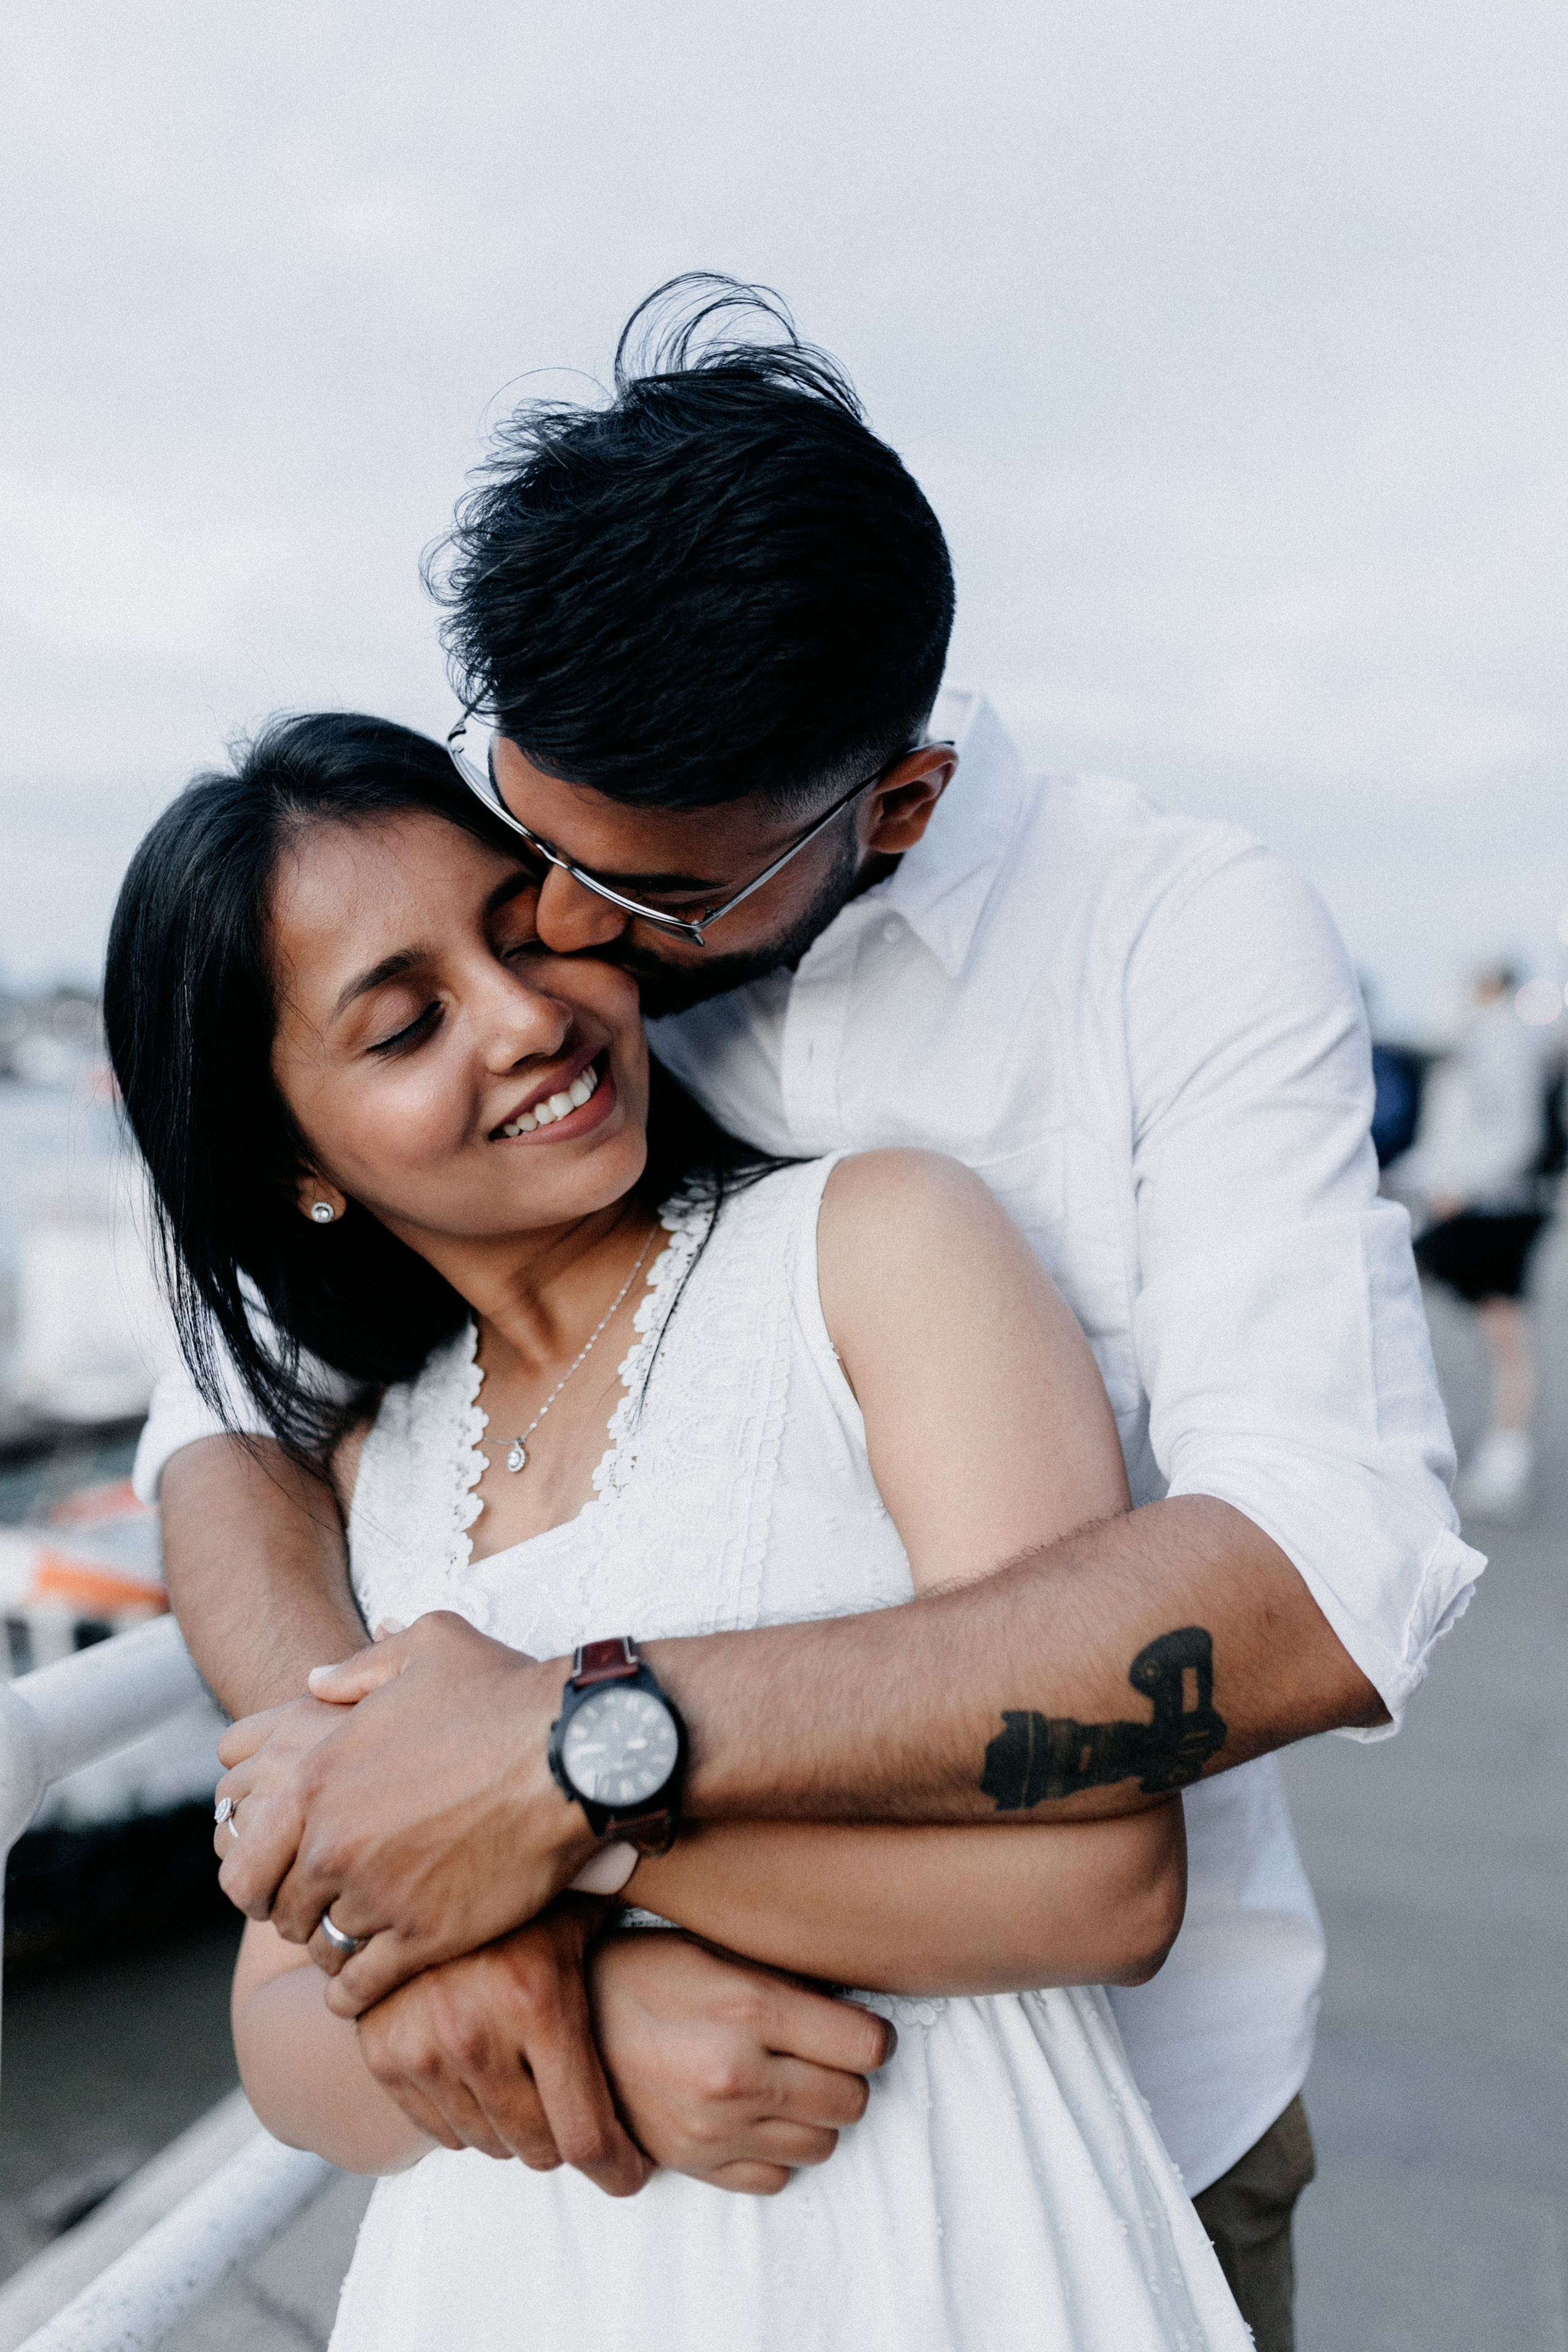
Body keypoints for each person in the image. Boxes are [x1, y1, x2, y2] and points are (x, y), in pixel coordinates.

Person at [129, 279, 1481, 2352]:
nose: (558, 944)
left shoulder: (1166, 946)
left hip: (1103, 2152)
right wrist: (393, 1840)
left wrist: (567, 1778)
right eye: (521, 843)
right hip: (591, 2217)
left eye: (635, 905)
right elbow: (220, 1425)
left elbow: (1315, 1575)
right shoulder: (580, 897)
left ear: (896, 807)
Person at [106, 712, 1253, 2351]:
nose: (526, 1018)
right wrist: (588, 2009)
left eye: (526, 930)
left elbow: (1104, 1884)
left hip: (938, 2259)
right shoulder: (373, 1467)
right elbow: (282, 2024)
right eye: (409, 1023)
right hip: (516, 2288)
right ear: (298, 1162)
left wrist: (560, 1830)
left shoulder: (877, 1249)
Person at [1400, 963, 1552, 1521]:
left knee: (1395, 1303)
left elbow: (1514, 1132)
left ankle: (1503, 1459)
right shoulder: (1485, 1036)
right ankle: (1503, 1456)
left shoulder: (1500, 1037)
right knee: (1497, 1335)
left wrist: (1457, 1187)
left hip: (1488, 1210)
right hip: (1480, 1205)